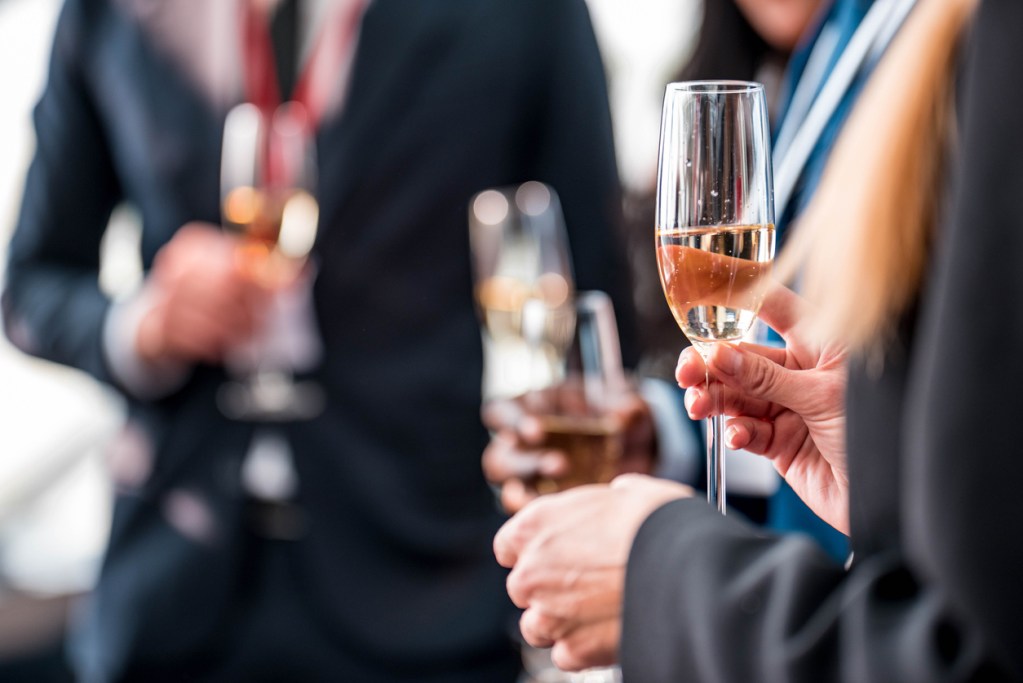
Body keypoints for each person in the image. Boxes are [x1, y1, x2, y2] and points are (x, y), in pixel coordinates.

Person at [1, 0, 636, 680]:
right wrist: (143, 325)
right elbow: (32, 286)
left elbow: (589, 297)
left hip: (422, 583)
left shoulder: (525, 15)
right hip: (172, 589)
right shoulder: (106, 13)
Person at [493, 0, 1023, 679]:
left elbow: (972, 649)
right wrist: (871, 467)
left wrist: (666, 572)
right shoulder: (837, 46)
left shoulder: (964, 33)